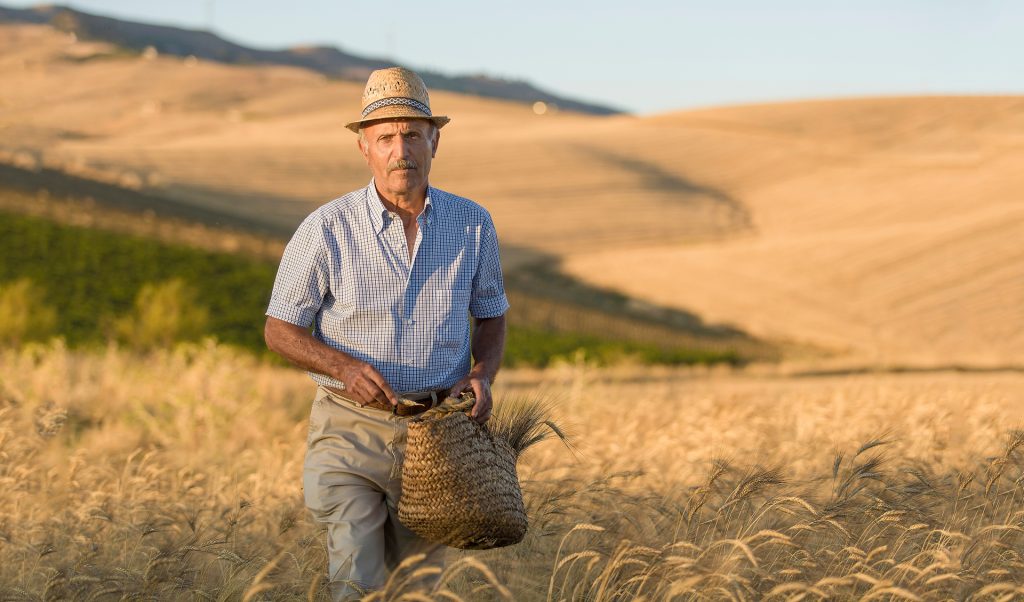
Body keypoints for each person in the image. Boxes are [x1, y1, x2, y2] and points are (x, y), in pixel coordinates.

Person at [263, 67, 509, 599]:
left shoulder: (473, 224)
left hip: (436, 436)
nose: (401, 150)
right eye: (386, 138)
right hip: (348, 432)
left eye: (412, 135)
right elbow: (279, 328)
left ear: (435, 140)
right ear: (364, 147)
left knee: (415, 589)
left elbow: (491, 313)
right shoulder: (325, 228)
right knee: (357, 581)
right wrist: (343, 368)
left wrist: (482, 373)